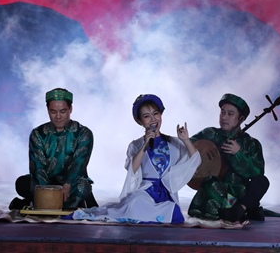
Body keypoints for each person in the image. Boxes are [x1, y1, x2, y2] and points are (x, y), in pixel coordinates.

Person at [67, 94, 201, 223]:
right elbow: (133, 169)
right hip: (144, 193)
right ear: (140, 121)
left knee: (175, 214)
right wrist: (145, 145)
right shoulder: (135, 145)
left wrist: (186, 140)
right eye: (147, 116)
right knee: (135, 204)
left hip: (167, 194)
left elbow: (195, 159)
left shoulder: (174, 143)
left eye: (155, 114)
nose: (153, 119)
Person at [9, 87, 97, 210]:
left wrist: (67, 185)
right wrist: (48, 192)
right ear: (48, 111)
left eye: (63, 111)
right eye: (53, 112)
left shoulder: (83, 133)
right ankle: (66, 204)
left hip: (70, 185)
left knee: (83, 186)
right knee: (22, 184)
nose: (58, 116)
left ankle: (29, 203)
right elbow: (38, 167)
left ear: (70, 109)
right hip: (44, 183)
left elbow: (79, 164)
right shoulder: (38, 134)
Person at [187, 93, 269, 223]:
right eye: (222, 112)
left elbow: (257, 173)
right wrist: (192, 166)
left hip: (238, 194)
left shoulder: (251, 143)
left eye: (230, 114)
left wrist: (239, 154)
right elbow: (188, 147)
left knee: (262, 181)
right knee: (210, 183)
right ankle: (242, 211)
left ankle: (241, 208)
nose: (224, 117)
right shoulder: (209, 133)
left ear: (241, 119)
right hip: (216, 191)